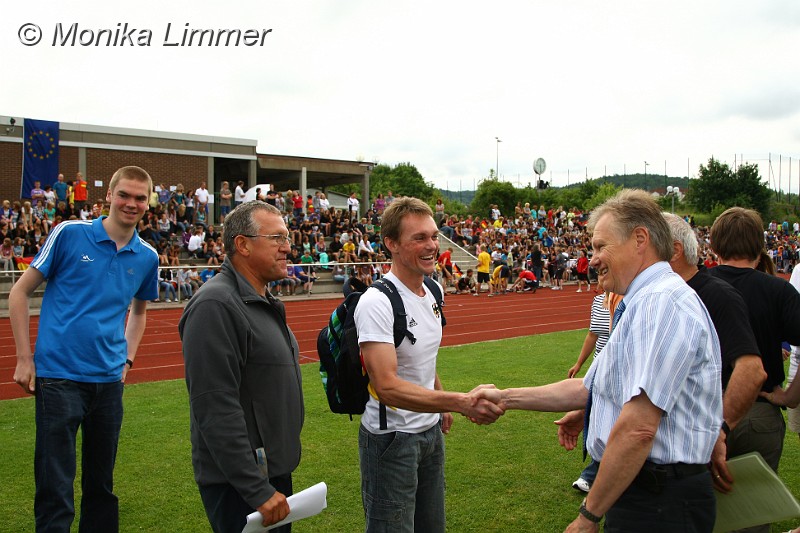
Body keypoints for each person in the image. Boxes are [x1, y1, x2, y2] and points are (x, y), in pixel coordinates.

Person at [475, 189, 721, 532]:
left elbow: (638, 428)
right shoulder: (643, 301)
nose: (592, 259)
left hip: (659, 500)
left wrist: (588, 516)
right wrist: (505, 397)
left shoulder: (660, 303)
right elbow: (589, 388)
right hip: (648, 493)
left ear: (639, 239)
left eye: (600, 246)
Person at [10, 166, 159, 533]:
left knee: (101, 485)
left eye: (140, 198)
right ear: (109, 195)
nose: (131, 203)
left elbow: (138, 314)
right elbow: (19, 292)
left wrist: (127, 359)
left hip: (109, 383)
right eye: (124, 194)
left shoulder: (147, 256)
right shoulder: (69, 233)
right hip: (59, 377)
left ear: (148, 203)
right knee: (55, 485)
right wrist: (25, 358)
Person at [355, 197, 504, 533]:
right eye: (419, 238)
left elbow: (422, 355)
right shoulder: (377, 302)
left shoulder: (434, 290)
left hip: (429, 432)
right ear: (391, 244)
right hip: (391, 438)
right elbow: (387, 387)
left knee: (431, 526)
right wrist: (459, 401)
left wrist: (439, 397)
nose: (432, 245)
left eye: (434, 236)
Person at [179, 201, 303, 533]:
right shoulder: (215, 306)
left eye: (287, 237)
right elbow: (214, 405)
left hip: (269, 473)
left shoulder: (261, 301)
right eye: (276, 238)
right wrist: (256, 488)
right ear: (243, 244)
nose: (287, 248)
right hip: (243, 485)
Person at [707, 207, 800, 532]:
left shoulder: (698, 287)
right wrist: (790, 395)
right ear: (758, 246)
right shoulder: (779, 290)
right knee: (753, 516)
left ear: (714, 244)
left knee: (699, 509)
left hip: (704, 411)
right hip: (759, 411)